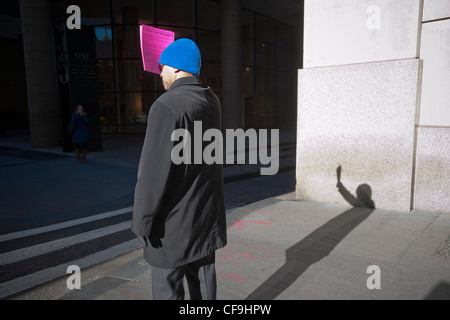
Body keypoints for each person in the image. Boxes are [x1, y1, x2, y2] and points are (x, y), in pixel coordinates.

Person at [131, 39, 227, 300]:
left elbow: (153, 174)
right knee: (204, 291)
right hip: (205, 219)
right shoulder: (211, 101)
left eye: (162, 67)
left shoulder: (166, 105)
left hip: (172, 227)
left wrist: (142, 221)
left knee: (168, 292)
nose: (160, 74)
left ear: (175, 68)